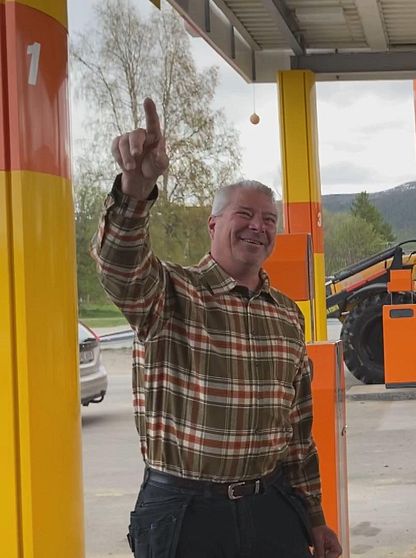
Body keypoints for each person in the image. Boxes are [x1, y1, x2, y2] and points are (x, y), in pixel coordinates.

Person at [93, 98, 342, 558]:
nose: (258, 227)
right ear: (213, 224)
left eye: (269, 220)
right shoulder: (170, 294)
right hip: (184, 513)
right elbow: (119, 266)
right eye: (243, 215)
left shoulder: (287, 315)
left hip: (272, 507)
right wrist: (135, 189)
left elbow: (298, 435)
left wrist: (314, 516)